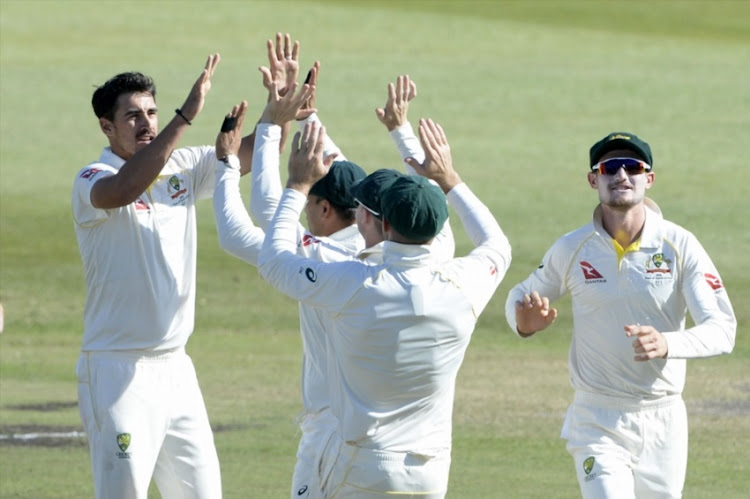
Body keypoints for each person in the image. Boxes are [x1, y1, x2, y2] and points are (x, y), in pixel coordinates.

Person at [256, 118, 511, 498]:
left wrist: (296, 185)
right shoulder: (464, 283)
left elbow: (274, 262)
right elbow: (496, 243)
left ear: (386, 224)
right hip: (430, 469)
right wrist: (450, 180)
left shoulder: (355, 284)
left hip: (361, 464)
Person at [504, 132, 737, 498]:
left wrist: (667, 342)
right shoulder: (572, 248)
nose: (622, 175)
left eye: (633, 167)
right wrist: (522, 323)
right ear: (594, 179)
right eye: (610, 167)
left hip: (664, 419)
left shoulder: (680, 245)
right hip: (597, 417)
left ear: (649, 178)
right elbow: (520, 296)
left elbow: (723, 330)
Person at [71, 55, 255, 498]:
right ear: (106, 127)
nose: (146, 123)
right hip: (116, 369)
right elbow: (124, 189)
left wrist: (278, 115)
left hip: (176, 368)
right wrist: (186, 116)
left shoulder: (183, 166)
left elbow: (245, 156)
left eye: (151, 112)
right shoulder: (92, 178)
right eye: (132, 115)